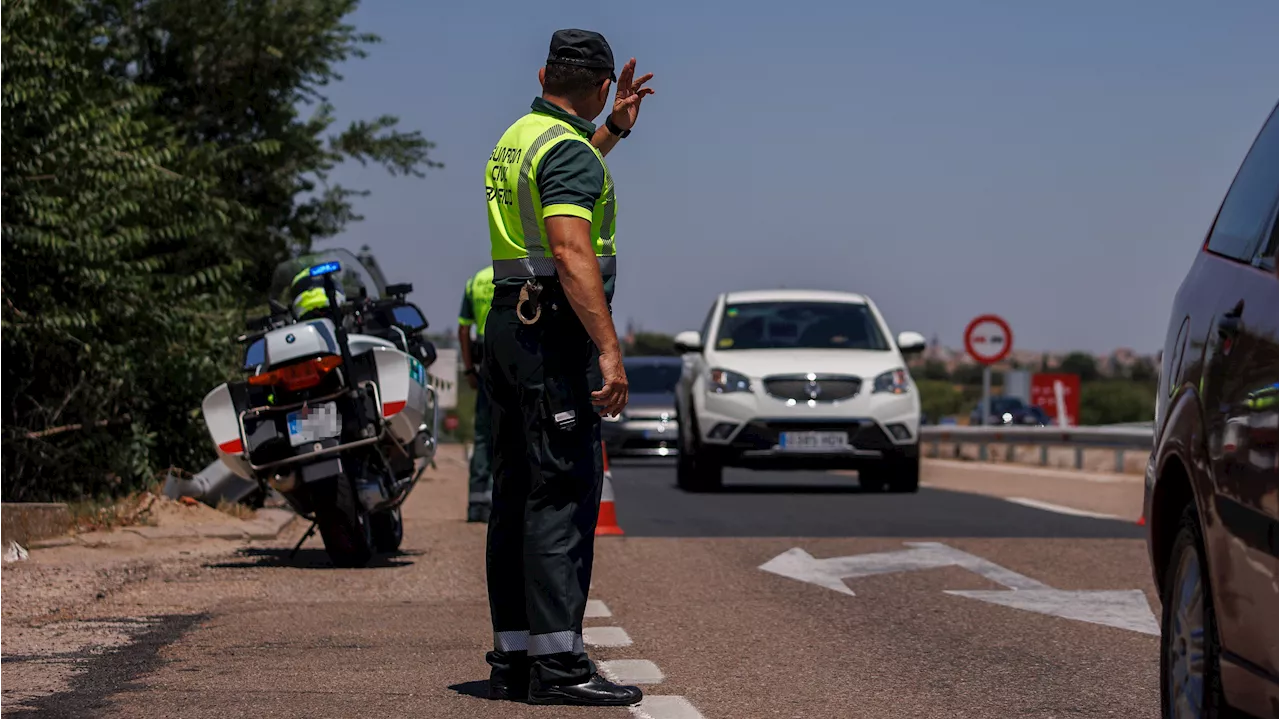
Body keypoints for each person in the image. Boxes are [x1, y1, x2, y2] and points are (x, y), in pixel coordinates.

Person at [481, 28, 653, 706]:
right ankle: (560, 667)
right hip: (553, 335)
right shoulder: (568, 155)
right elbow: (571, 250)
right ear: (604, 82)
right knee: (560, 494)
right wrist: (608, 348)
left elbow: (560, 174)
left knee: (517, 494)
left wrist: (611, 131)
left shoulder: (521, 135)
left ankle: (517, 658)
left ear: (546, 72)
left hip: (508, 327)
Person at [458, 264, 496, 523]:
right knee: (511, 431)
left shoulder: (475, 282)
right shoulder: (518, 275)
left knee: (483, 435)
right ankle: (500, 500)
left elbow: (463, 330)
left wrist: (469, 368)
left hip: (483, 362)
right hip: (510, 358)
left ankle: (476, 506)